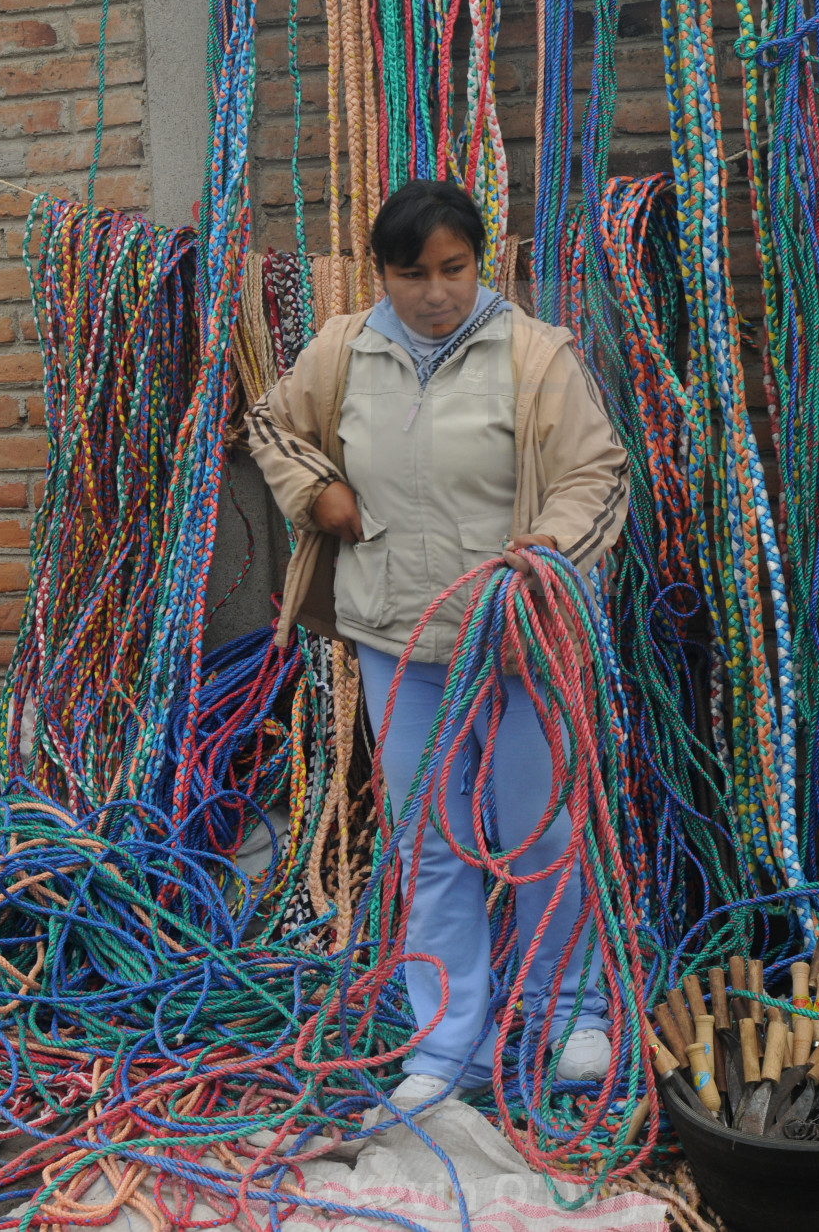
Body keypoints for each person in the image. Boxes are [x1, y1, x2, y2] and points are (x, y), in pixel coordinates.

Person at [247, 180, 630, 1105]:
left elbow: (598, 473)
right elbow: (269, 424)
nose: (435, 291)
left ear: (481, 261)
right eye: (412, 272)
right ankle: (445, 1040)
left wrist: (542, 553)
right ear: (382, 272)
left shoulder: (536, 356)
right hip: (397, 639)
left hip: (519, 639)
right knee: (430, 841)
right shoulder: (345, 348)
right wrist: (316, 491)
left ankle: (568, 1013)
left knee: (540, 833)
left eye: (454, 269)